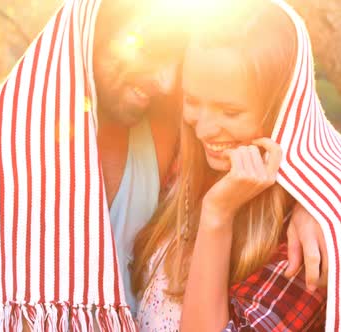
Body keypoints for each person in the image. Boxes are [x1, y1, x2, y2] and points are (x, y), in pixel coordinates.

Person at [0, 0, 331, 330]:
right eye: (147, 51)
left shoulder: (172, 141)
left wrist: (314, 198)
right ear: (87, 34)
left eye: (177, 63)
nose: (167, 83)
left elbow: (283, 118)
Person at [131, 1, 339, 330]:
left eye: (230, 112)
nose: (203, 130)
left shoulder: (301, 244)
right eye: (193, 101)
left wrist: (218, 214)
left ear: (283, 110)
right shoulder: (182, 164)